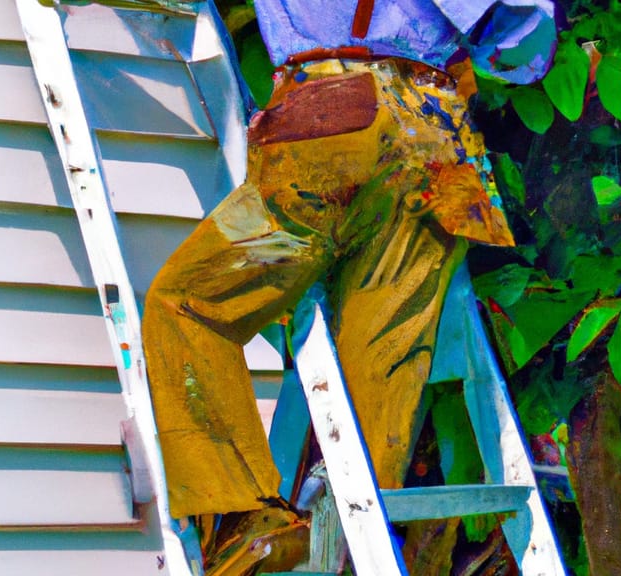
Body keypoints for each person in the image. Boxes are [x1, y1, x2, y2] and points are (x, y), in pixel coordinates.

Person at [142, 0, 556, 572]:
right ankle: (327, 548)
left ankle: (245, 522)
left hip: (333, 118)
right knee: (380, 373)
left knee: (189, 305)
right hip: (440, 145)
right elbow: (520, 46)